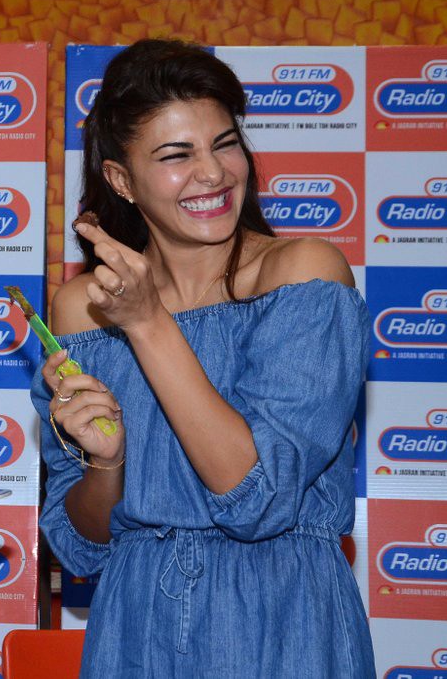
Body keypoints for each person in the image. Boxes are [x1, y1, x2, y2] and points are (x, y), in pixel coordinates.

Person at [35, 39, 375, 677]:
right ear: (121, 180)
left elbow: (258, 495)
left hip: (283, 619)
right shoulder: (83, 308)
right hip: (134, 626)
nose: (213, 173)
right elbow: (81, 546)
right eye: (176, 155)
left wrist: (148, 323)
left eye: (225, 144)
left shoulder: (304, 273)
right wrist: (107, 465)